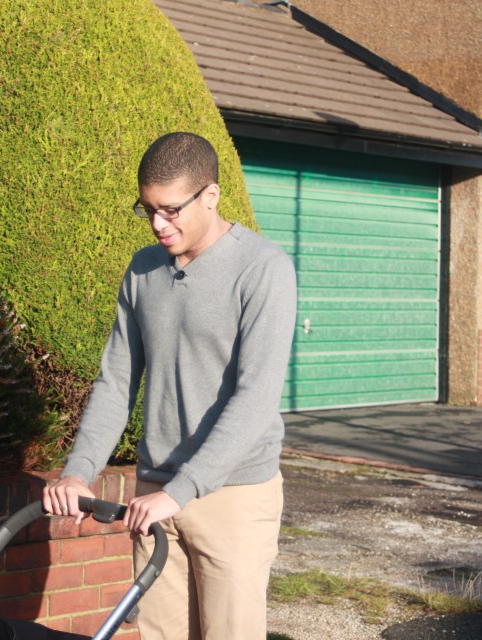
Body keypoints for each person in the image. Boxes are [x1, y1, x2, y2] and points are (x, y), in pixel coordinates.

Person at [43, 132, 297, 639]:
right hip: (155, 494)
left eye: (171, 210)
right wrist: (78, 473)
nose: (159, 224)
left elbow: (256, 397)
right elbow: (116, 381)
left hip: (234, 495)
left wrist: (181, 491)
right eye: (148, 210)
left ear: (211, 195)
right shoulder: (143, 271)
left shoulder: (263, 269)